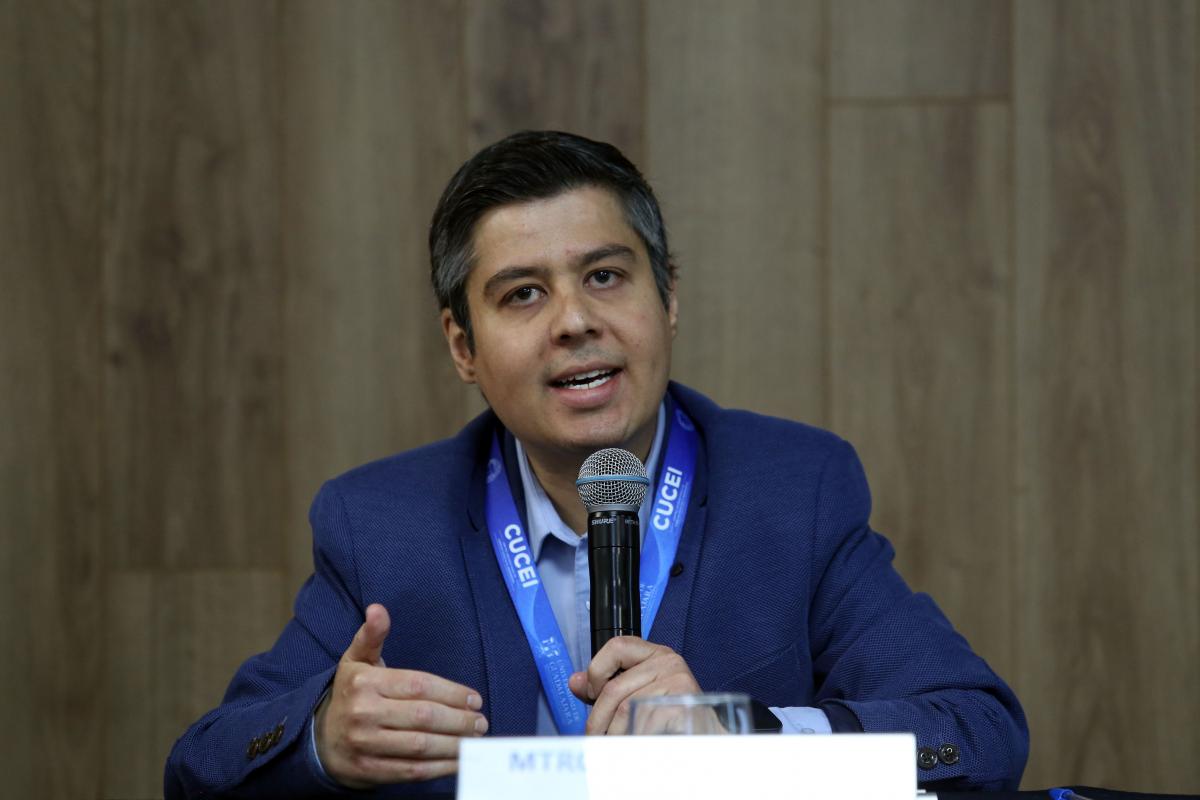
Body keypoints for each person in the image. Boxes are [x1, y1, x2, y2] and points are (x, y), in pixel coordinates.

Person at [165, 131, 1029, 798]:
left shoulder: (793, 491)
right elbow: (200, 768)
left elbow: (977, 734)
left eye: (606, 277)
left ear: (669, 297)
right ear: (463, 346)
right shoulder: (382, 527)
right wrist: (321, 740)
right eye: (523, 294)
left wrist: (746, 742)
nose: (575, 321)